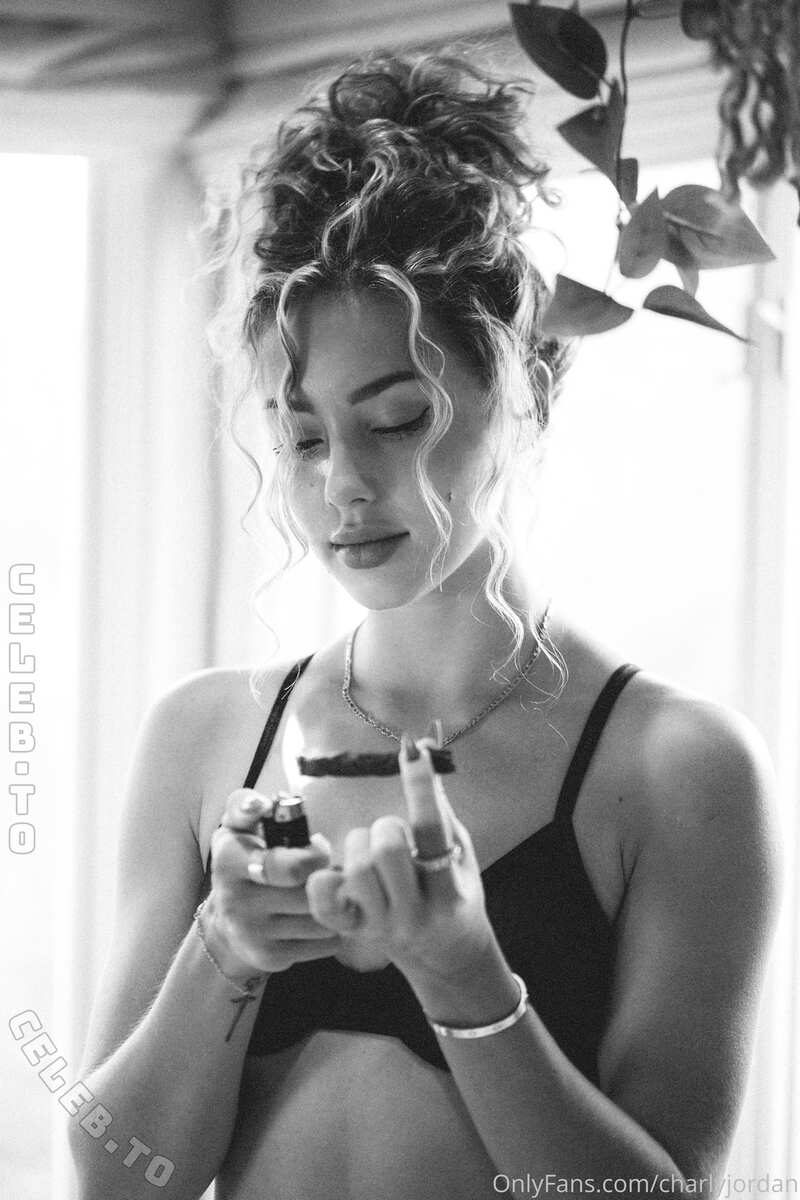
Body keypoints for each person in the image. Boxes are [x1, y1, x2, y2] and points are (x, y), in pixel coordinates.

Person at [69, 52, 781, 1200]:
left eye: (397, 419)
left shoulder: (676, 770)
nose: (341, 486)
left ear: (527, 390)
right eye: (303, 438)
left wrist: (466, 983)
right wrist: (222, 951)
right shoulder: (202, 737)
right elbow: (114, 1183)